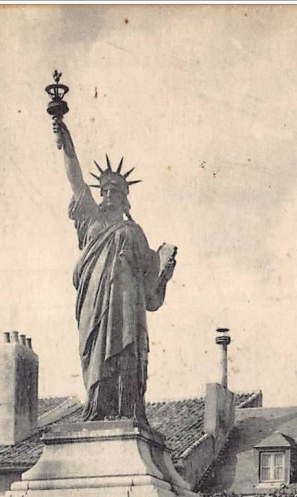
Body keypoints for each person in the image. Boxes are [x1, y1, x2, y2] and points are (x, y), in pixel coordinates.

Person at [52, 118, 176, 422]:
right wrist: (66, 142)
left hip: (126, 310)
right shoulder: (91, 221)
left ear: (124, 198)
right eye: (104, 191)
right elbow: (76, 181)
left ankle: (125, 409)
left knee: (125, 358)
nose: (107, 197)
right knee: (95, 357)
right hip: (94, 306)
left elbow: (150, 290)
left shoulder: (135, 232)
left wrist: (165, 269)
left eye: (114, 192)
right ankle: (97, 408)